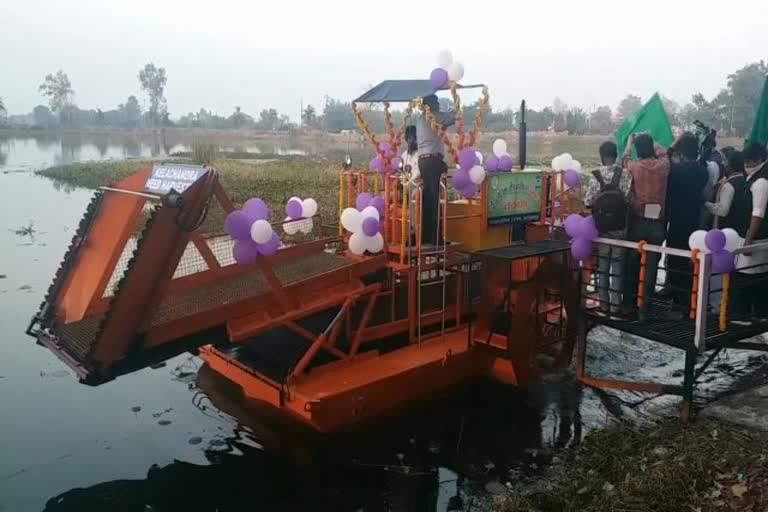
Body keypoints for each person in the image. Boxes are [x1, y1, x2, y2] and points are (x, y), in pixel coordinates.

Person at [622, 133, 670, 320]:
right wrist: (653, 139)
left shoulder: (635, 167)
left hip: (638, 221)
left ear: (637, 150)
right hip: (658, 223)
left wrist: (629, 142)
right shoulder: (664, 166)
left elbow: (624, 159)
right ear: (651, 148)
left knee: (631, 264)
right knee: (651, 267)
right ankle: (645, 309)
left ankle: (628, 305)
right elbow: (664, 153)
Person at [584, 141, 631, 316]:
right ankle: (616, 306)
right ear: (616, 155)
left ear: (602, 156)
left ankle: (603, 305)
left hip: (602, 229)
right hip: (620, 229)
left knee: (603, 265)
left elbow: (588, 201)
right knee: (617, 267)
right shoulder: (624, 174)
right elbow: (629, 200)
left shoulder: (595, 174)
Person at [665, 132, 710, 315]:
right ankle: (690, 302)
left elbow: (666, 157)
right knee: (690, 263)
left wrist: (674, 142)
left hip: (676, 223)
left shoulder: (675, 170)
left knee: (675, 263)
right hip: (694, 224)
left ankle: (678, 303)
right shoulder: (702, 171)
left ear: (681, 154)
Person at [732, 142, 768, 322]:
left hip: (756, 237)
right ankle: (757, 315)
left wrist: (748, 239)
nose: (746, 164)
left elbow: (758, 213)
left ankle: (744, 317)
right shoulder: (754, 177)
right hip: (754, 236)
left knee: (748, 276)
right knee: (756, 275)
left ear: (759, 160)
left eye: (750, 160)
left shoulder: (761, 181)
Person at [416, 94, 455, 245]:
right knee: (434, 200)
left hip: (423, 161)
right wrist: (457, 106)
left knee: (427, 200)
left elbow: (441, 125)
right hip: (433, 161)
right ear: (430, 104)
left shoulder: (421, 118)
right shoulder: (432, 115)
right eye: (436, 102)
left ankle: (425, 235)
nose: (438, 104)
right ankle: (435, 238)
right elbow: (453, 117)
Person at [705, 150, 746, 229]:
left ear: (730, 165)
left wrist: (704, 204)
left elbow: (722, 210)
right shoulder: (743, 179)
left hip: (724, 227)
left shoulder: (729, 185)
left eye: (725, 161)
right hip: (737, 226)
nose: (723, 164)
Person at [401, 125, 419, 241]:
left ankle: (413, 231)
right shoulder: (403, 155)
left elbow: (420, 174)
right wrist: (402, 183)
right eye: (409, 138)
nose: (411, 141)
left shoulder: (422, 154)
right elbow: (402, 173)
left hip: (418, 186)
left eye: (413, 138)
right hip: (406, 185)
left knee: (413, 196)